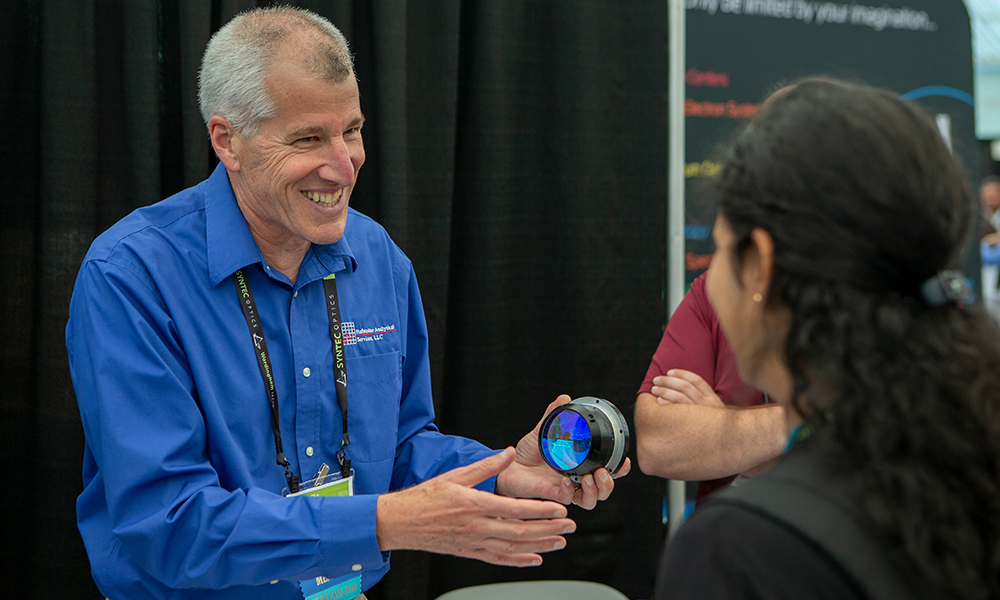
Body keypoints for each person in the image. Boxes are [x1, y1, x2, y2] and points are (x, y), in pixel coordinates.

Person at [66, 7, 626, 600]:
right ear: (228, 141)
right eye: (308, 138)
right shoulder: (132, 275)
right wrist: (386, 523)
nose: (344, 164)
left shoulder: (377, 256)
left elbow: (403, 447)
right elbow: (170, 524)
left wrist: (502, 473)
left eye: (352, 130)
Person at [654, 78, 1000, 599]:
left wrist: (742, 434)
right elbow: (660, 438)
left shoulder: (742, 550)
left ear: (761, 269)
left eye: (722, 248)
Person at [634, 272, 785, 504]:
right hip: (724, 531)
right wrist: (806, 426)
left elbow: (849, 453)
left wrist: (721, 427)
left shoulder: (852, 299)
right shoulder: (716, 288)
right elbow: (656, 444)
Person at [979, 176, 1000, 321]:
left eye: (993, 195)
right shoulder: (980, 217)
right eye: (987, 196)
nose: (990, 199)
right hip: (987, 274)